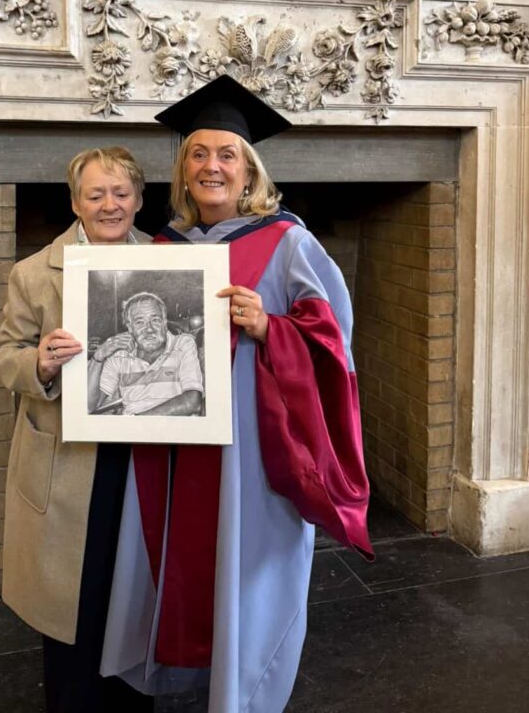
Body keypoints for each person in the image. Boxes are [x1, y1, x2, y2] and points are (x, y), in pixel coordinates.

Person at [98, 76, 373, 713]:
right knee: (180, 556)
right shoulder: (162, 248)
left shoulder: (287, 241)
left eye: (227, 155)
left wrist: (269, 326)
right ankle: (187, 673)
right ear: (184, 170)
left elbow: (334, 336)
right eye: (198, 154)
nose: (212, 166)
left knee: (242, 563)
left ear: (249, 170)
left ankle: (243, 685)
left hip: (249, 449)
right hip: (172, 448)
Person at [0, 146, 154, 713]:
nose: (110, 205)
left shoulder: (171, 262)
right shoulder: (33, 272)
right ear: (75, 203)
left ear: (138, 198)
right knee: (73, 603)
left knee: (134, 595)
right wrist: (38, 363)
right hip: (68, 460)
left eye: (121, 193)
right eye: (96, 194)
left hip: (144, 458)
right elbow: (2, 359)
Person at [91, 291, 204, 416]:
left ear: (164, 323)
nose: (149, 329)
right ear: (129, 327)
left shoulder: (182, 344)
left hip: (174, 430)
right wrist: (98, 357)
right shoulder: (119, 356)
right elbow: (89, 406)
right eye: (140, 322)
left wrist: (138, 423)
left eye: (155, 320)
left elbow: (192, 402)